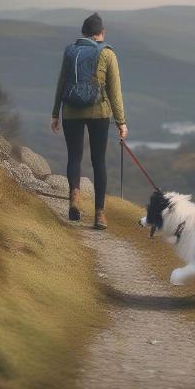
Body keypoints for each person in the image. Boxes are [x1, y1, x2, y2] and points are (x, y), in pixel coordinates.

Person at [51, 12, 128, 229]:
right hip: (99, 113)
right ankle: (99, 215)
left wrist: (55, 113)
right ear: (101, 33)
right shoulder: (107, 53)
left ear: (84, 33)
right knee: (98, 161)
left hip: (71, 112)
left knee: (74, 156)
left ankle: (74, 195)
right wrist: (121, 122)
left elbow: (61, 83)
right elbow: (115, 91)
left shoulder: (70, 51)